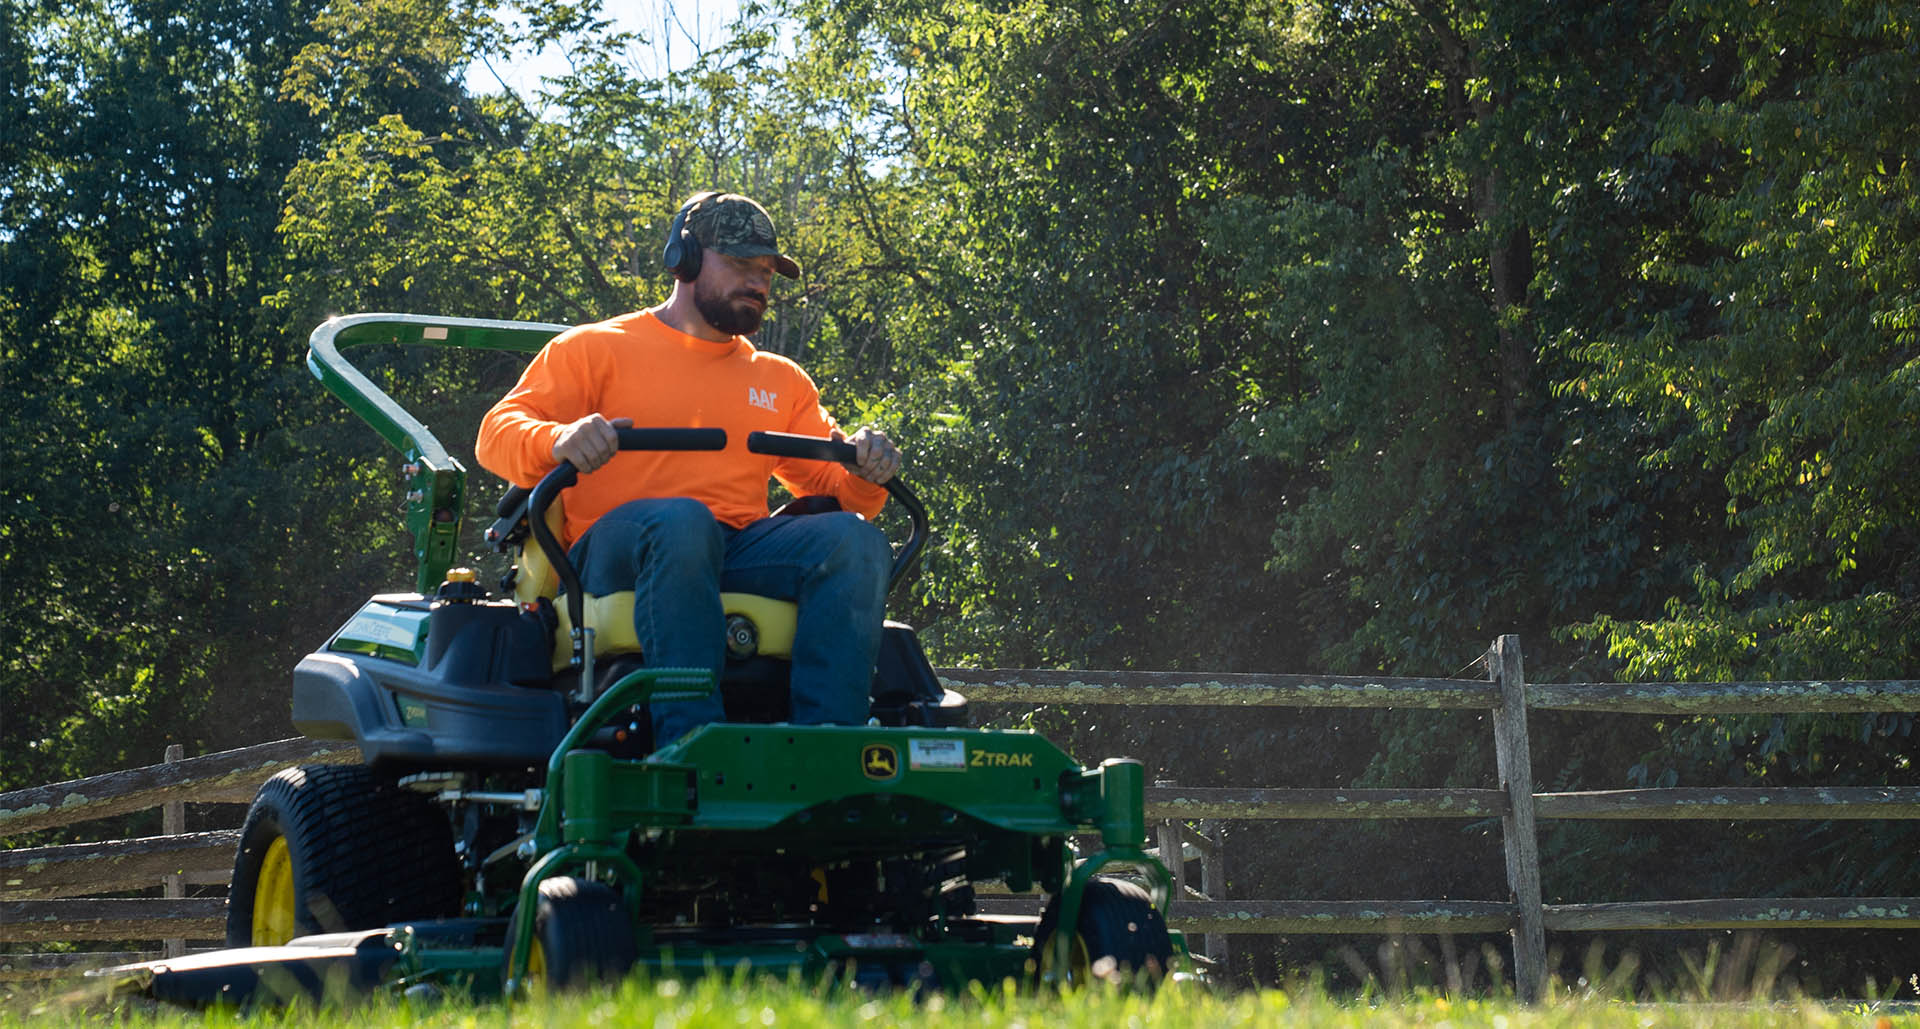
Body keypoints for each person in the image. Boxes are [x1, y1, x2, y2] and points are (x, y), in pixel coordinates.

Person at [475, 191, 902, 746]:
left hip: (734, 550)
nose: (759, 282)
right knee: (683, 523)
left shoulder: (780, 380)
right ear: (686, 259)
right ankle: (693, 744)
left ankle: (830, 748)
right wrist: (560, 438)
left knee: (854, 541)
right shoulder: (592, 350)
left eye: (768, 270)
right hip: (616, 551)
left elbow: (835, 490)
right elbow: (496, 434)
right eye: (742, 264)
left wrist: (868, 472)